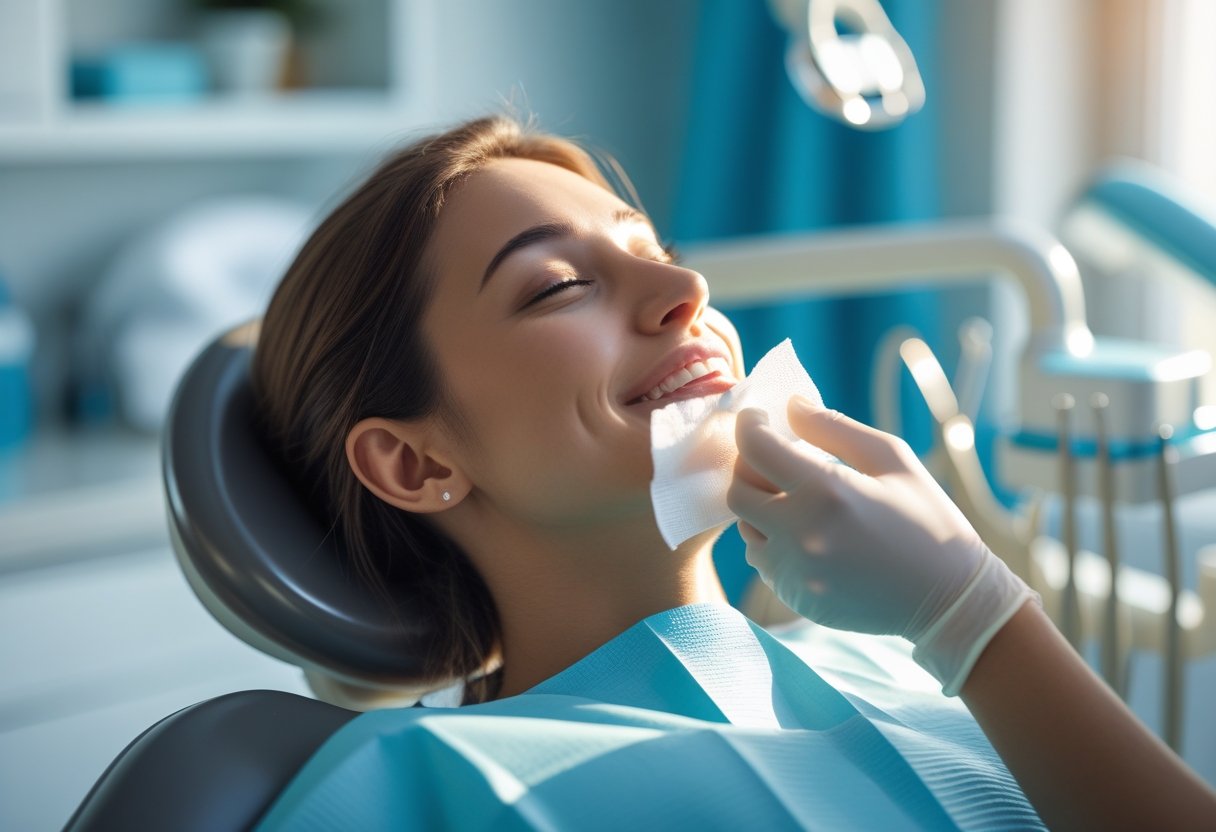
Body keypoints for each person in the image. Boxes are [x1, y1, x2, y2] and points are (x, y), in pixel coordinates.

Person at [251, 114, 1216, 830]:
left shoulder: (904, 663)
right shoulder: (412, 789)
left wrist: (978, 619)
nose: (687, 290)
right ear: (416, 462)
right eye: (559, 286)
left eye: (654, 250)